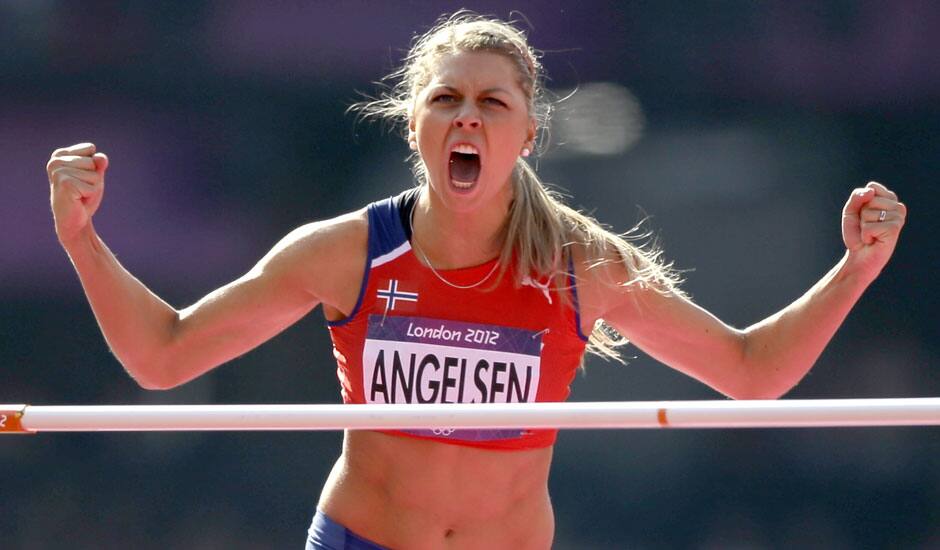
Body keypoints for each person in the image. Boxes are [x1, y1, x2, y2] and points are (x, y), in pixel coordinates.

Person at [46, 12, 907, 550]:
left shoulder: (578, 264)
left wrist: (855, 269)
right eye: (446, 99)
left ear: (527, 135)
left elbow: (752, 373)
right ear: (413, 123)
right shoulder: (345, 252)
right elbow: (163, 360)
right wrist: (82, 238)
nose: (467, 116)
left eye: (492, 103)